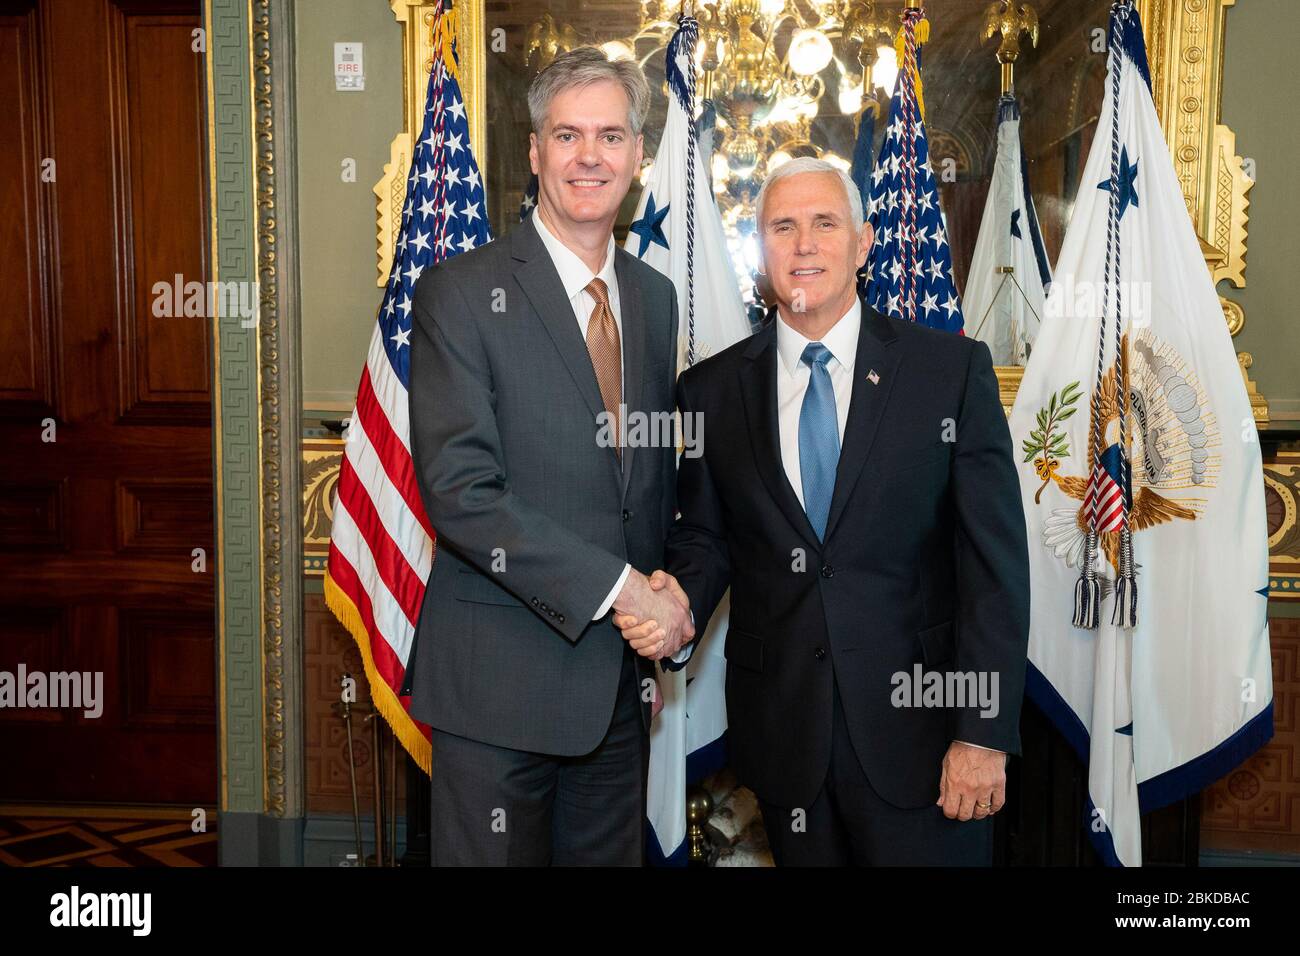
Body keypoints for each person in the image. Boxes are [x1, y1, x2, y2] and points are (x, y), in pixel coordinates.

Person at [616, 157, 1030, 865]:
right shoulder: (712, 390)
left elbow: (995, 568)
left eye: (824, 223)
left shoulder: (948, 374)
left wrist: (982, 734)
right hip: (786, 745)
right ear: (761, 249)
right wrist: (675, 604)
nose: (803, 243)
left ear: (863, 244)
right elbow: (710, 540)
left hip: (928, 744)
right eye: (783, 226)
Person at [404, 47, 693, 866]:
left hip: (614, 694)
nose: (589, 157)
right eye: (567, 136)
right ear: (535, 154)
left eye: (610, 136)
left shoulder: (652, 298)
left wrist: (668, 595)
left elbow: (642, 484)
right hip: (499, 692)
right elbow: (463, 494)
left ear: (638, 156)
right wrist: (623, 587)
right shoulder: (461, 292)